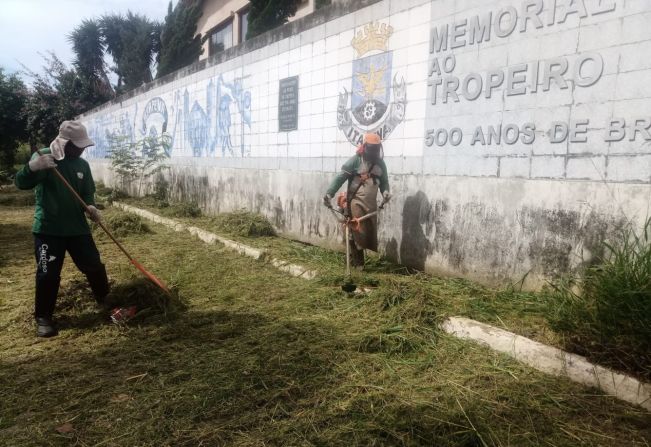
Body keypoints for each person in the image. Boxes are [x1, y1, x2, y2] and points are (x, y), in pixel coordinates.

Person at [15, 120, 109, 338]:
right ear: (65, 142)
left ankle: (106, 300)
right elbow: (21, 183)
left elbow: (87, 193)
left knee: (94, 265)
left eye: (84, 146)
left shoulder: (82, 165)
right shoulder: (46, 157)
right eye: (78, 145)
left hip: (78, 228)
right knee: (48, 273)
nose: (82, 149)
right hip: (49, 229)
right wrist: (32, 167)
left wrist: (91, 208)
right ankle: (43, 317)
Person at [323, 133, 391, 269]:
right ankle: (358, 265)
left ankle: (354, 262)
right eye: (371, 148)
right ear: (365, 147)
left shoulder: (380, 164)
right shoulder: (355, 161)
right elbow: (340, 178)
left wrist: (385, 192)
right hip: (355, 202)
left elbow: (384, 182)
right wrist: (329, 194)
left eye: (376, 149)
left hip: (370, 205)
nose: (373, 152)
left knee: (366, 235)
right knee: (356, 233)